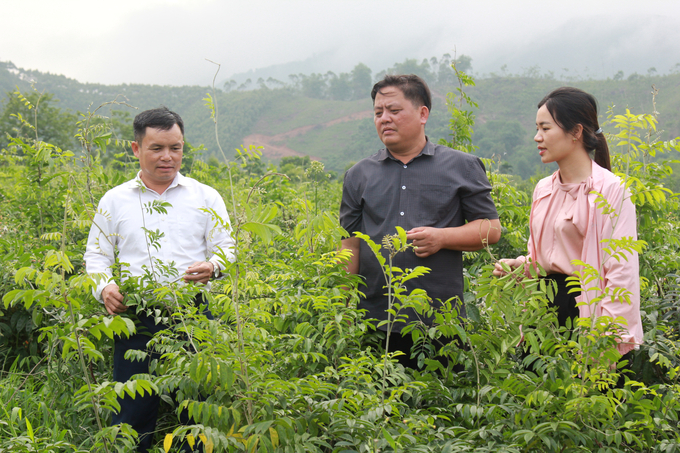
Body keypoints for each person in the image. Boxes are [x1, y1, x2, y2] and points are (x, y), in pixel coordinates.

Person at [84, 107, 235, 452]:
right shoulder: (116, 200)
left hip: (194, 314)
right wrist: (105, 287)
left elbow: (227, 247)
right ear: (136, 149)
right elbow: (96, 255)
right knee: (131, 412)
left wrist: (214, 266)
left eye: (176, 148)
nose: (168, 157)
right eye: (157, 148)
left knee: (197, 412)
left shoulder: (205, 196)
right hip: (135, 316)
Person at [339, 74, 501, 368]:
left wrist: (442, 238)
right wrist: (341, 307)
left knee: (439, 405)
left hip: (440, 321)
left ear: (423, 113)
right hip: (374, 319)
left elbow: (490, 229)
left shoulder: (462, 166)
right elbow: (350, 246)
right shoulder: (359, 175)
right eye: (378, 113)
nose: (384, 119)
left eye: (394, 110)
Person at [493, 87, 643, 357]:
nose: (537, 137)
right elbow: (543, 258)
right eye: (537, 128)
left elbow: (621, 274)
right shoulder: (543, 189)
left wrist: (607, 341)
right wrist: (520, 266)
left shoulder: (611, 190)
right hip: (542, 313)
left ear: (576, 131)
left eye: (545, 128)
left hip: (588, 314)